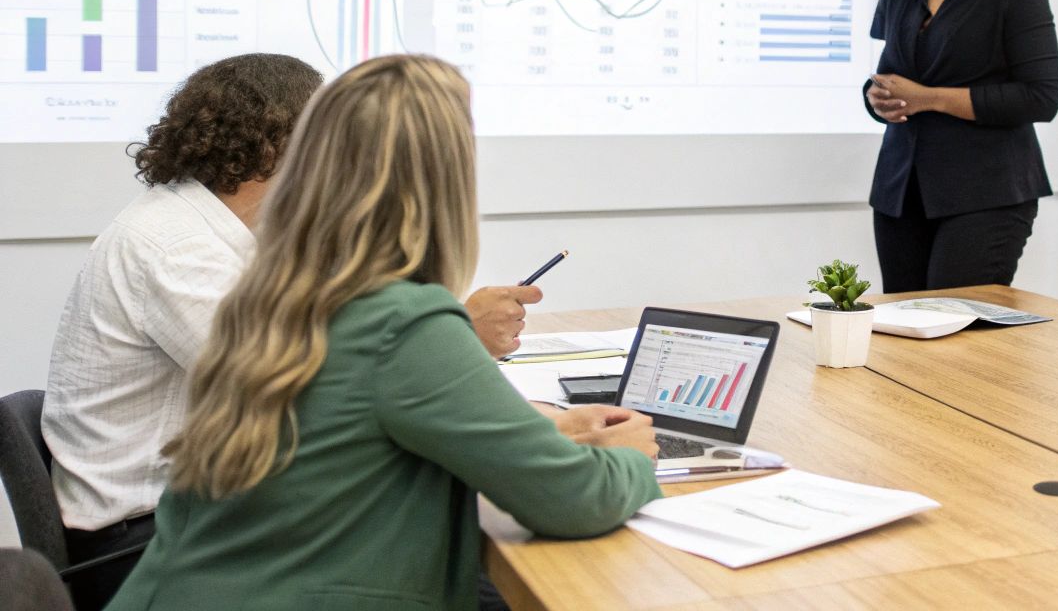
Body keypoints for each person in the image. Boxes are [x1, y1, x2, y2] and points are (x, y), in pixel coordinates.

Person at [107, 54, 660, 611]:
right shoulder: (402, 323)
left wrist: (545, 436)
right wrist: (632, 458)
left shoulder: (268, 299)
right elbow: (572, 499)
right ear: (445, 182)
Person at [865, 0, 1058, 293]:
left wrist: (927, 98)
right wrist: (877, 97)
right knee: (903, 337)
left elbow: (1041, 96)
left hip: (986, 195)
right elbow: (893, 72)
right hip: (901, 192)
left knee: (955, 341)